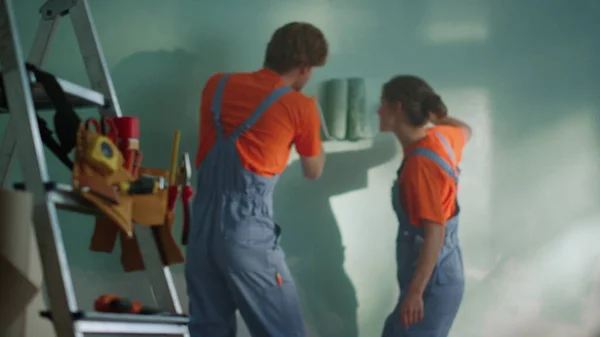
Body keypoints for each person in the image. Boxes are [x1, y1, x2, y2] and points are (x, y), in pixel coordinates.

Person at [185, 22, 328, 337]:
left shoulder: (216, 85)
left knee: (209, 331)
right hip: (246, 233)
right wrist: (313, 124)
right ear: (305, 68)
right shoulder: (301, 106)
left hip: (201, 231)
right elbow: (313, 170)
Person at [378, 75, 473, 337]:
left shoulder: (419, 166)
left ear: (397, 108)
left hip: (432, 280)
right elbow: (466, 130)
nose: (378, 110)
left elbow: (435, 232)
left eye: (382, 104)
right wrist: (438, 118)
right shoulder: (441, 136)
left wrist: (416, 293)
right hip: (444, 272)